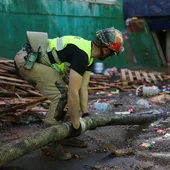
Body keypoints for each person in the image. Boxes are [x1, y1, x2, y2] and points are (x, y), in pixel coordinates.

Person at [14, 27, 124, 160]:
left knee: (69, 94)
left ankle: (64, 134)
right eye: (112, 53)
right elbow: (72, 93)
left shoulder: (89, 57)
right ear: (106, 50)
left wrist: (85, 113)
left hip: (40, 62)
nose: (110, 56)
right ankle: (50, 142)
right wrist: (76, 122)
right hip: (29, 61)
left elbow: (83, 88)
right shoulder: (82, 54)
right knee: (62, 95)